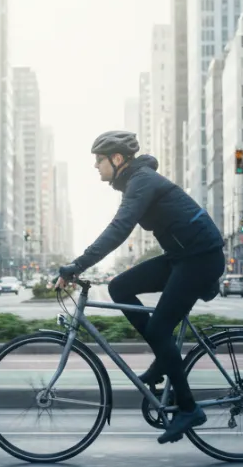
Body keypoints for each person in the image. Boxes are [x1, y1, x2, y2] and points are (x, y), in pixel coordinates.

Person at [55, 131, 226, 444]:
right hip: (181, 257)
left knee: (160, 328)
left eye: (99, 160)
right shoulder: (135, 182)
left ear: (117, 159)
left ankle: (188, 408)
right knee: (119, 287)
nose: (96, 166)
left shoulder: (142, 181)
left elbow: (120, 228)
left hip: (200, 258)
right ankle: (164, 360)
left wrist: (77, 264)